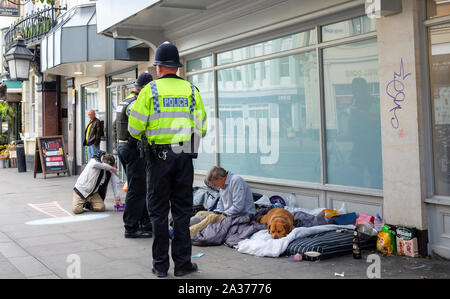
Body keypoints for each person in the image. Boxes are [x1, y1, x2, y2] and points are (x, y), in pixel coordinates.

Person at [128, 41, 207, 278]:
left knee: (159, 213)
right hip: (184, 158)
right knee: (182, 213)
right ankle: (182, 265)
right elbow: (201, 128)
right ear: (176, 66)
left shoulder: (150, 91)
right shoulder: (192, 91)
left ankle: (161, 266)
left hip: (158, 159)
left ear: (159, 67)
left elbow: (134, 129)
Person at [116, 72, 153, 239]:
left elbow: (115, 126)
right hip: (133, 148)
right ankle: (131, 227)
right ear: (144, 88)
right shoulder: (136, 103)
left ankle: (144, 222)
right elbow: (138, 126)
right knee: (137, 189)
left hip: (123, 147)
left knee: (139, 187)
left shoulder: (125, 101)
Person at [189, 166, 256, 235]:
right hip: (228, 213)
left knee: (212, 218)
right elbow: (221, 203)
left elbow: (238, 207)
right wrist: (217, 211)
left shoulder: (236, 181)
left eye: (214, 184)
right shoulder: (222, 184)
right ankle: (182, 226)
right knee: (201, 213)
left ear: (221, 179)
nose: (214, 186)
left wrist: (223, 214)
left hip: (242, 215)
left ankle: (189, 232)